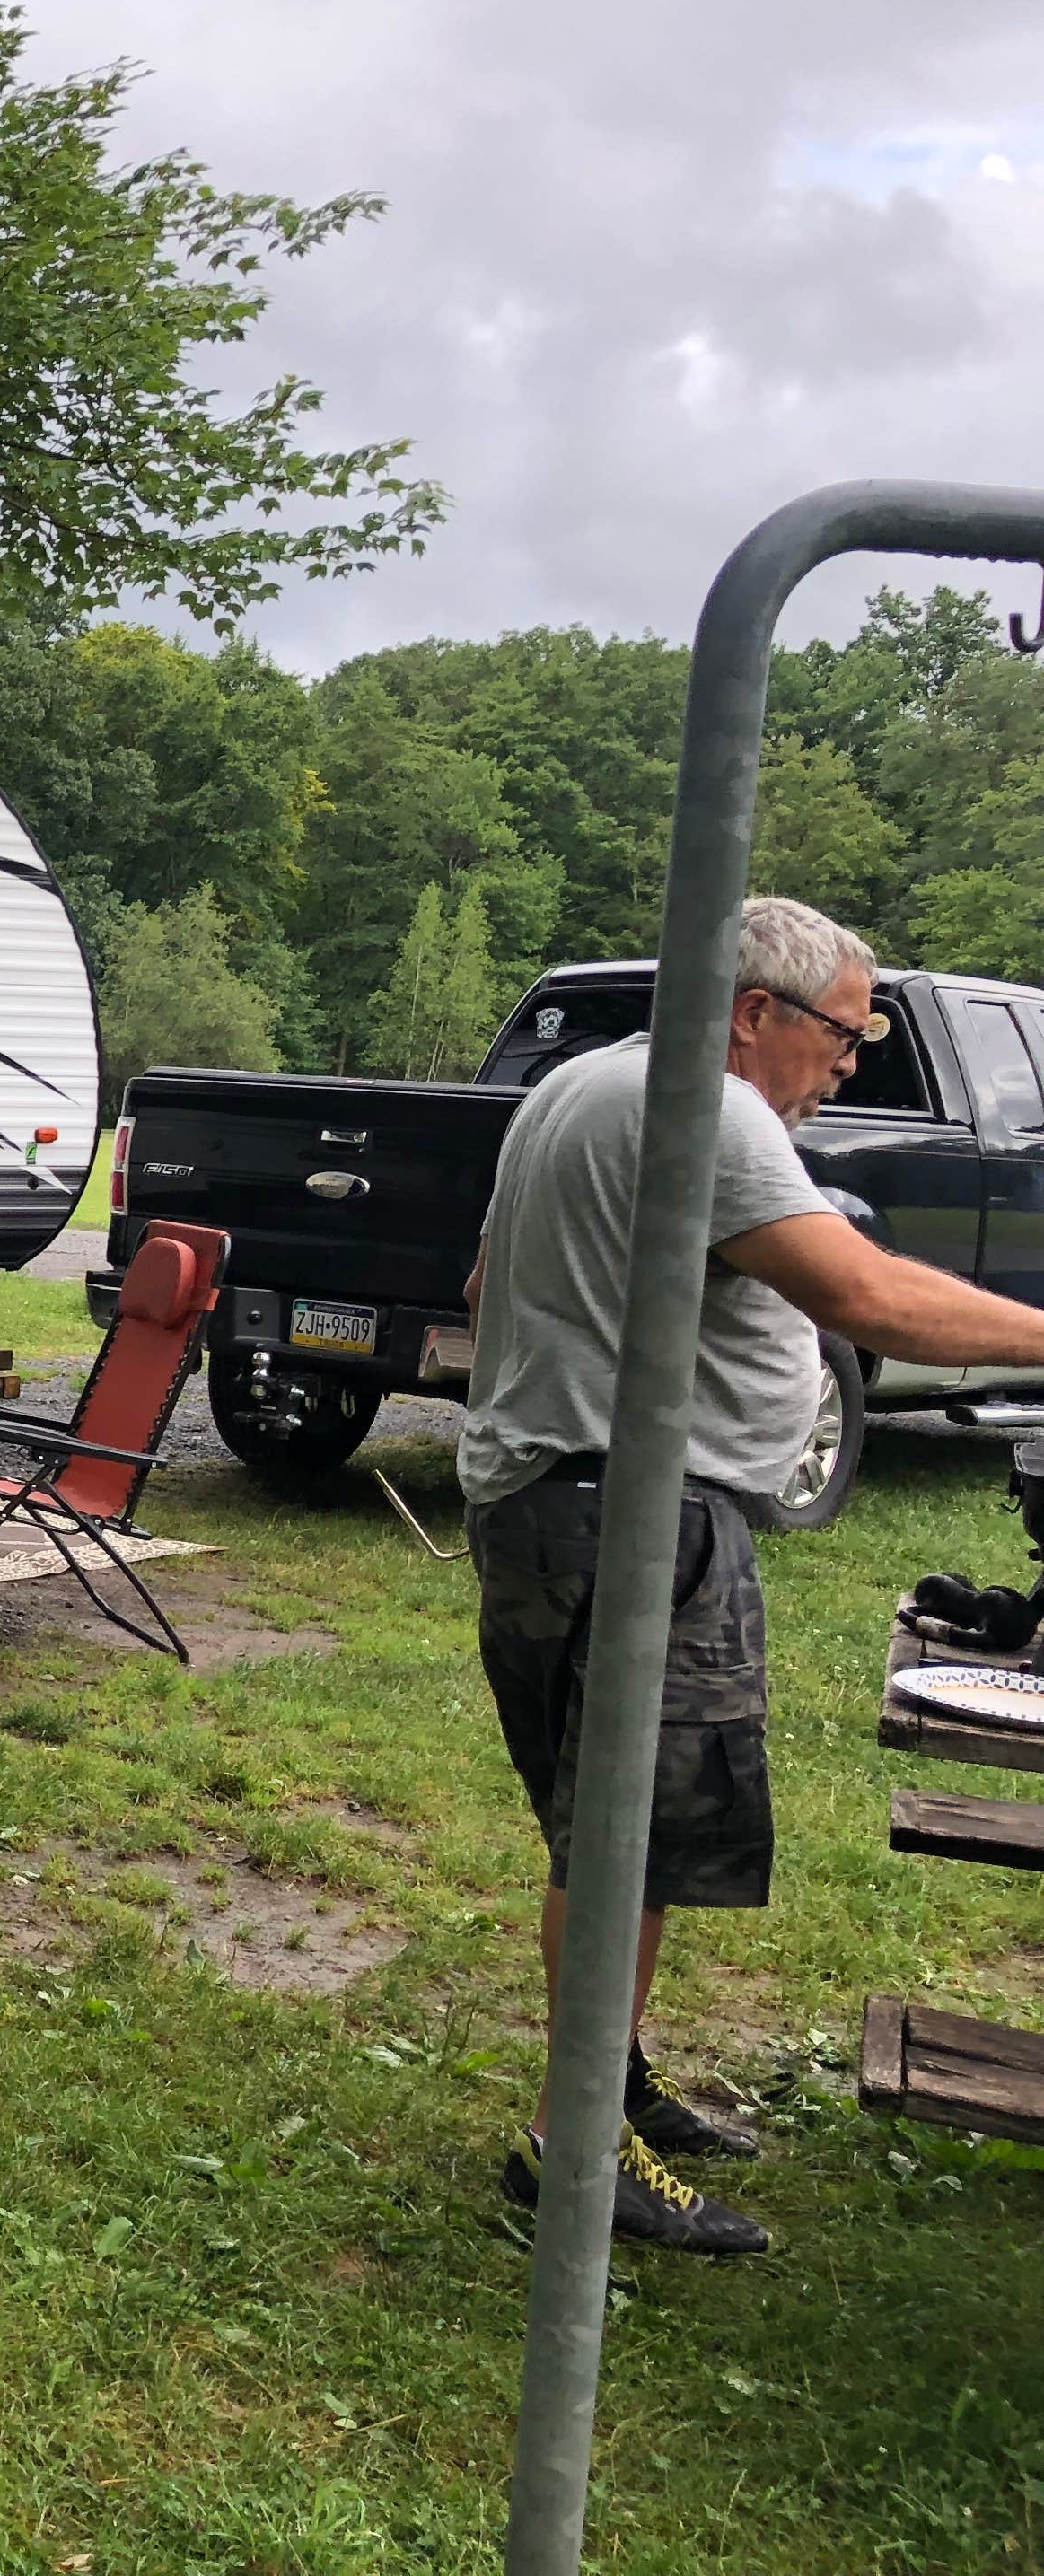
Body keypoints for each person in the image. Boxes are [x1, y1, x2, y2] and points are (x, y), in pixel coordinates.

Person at [459, 896, 1044, 2254]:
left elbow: (491, 1290)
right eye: (845, 1033)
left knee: (607, 1829)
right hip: (635, 1521)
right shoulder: (704, 1108)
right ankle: (575, 2146)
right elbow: (874, 1301)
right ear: (751, 1013)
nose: (853, 1062)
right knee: (629, 1844)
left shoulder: (571, 1088)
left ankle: (609, 2076)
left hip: (551, 1505)